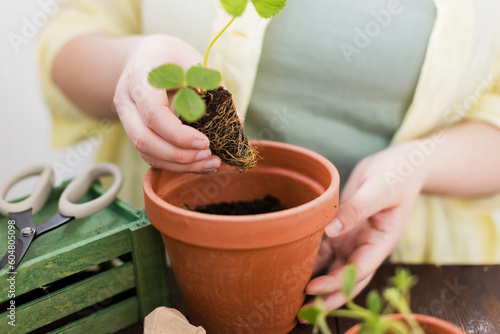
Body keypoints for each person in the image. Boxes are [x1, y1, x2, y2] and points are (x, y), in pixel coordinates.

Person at [38, 0, 500, 311]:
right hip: (162, 268)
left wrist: (418, 165)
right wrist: (135, 63)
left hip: (401, 271)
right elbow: (70, 37)